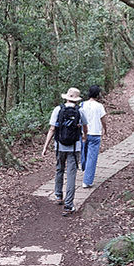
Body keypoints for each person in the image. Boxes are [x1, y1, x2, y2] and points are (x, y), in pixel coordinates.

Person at [42, 87, 88, 216]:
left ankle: (58, 196)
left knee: (59, 169)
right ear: (77, 99)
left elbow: (52, 129)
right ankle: (69, 205)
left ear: (67, 97)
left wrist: (45, 146)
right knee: (72, 174)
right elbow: (85, 127)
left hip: (59, 145)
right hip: (74, 147)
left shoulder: (58, 109)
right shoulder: (80, 110)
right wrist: (84, 136)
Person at [80, 85, 107, 189]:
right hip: (95, 133)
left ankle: (85, 169)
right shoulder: (99, 106)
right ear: (98, 94)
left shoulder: (82, 104)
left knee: (84, 153)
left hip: (84, 133)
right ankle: (87, 181)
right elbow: (103, 119)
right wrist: (105, 129)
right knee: (92, 158)